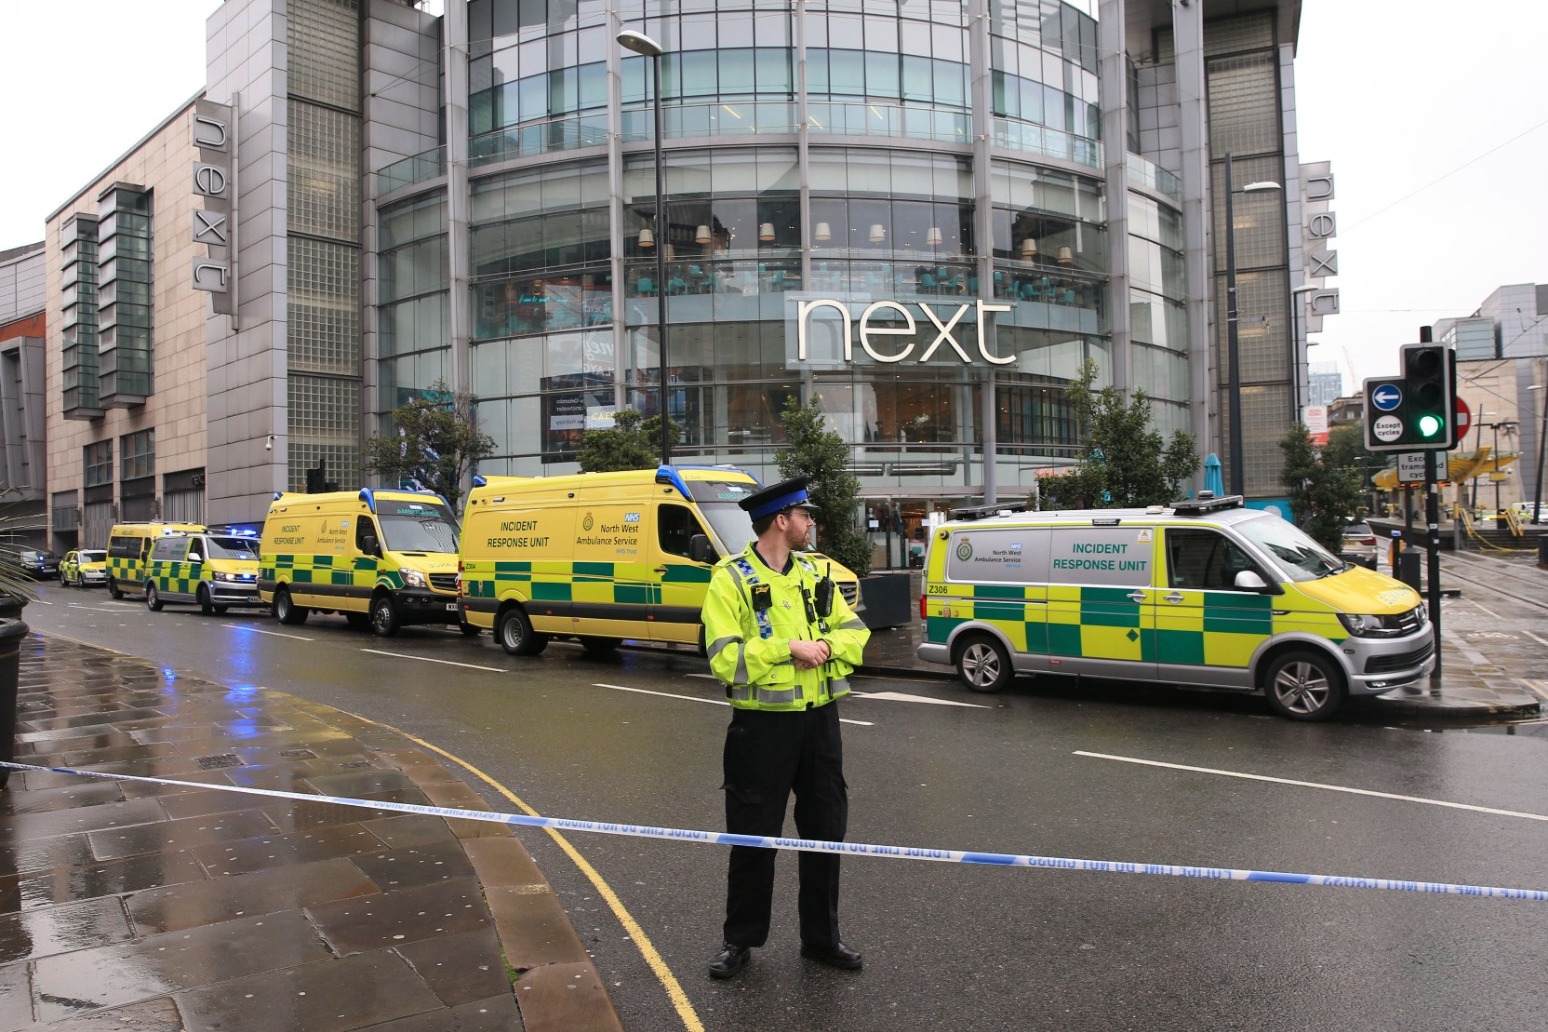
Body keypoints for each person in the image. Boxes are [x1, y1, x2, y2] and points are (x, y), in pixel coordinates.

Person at [700, 477, 871, 980]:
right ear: (781, 521)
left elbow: (855, 634)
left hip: (820, 725)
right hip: (761, 730)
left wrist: (824, 648)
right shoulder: (729, 579)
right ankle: (740, 941)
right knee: (754, 837)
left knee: (825, 835)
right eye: (804, 515)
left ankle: (821, 939)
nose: (810, 523)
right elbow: (724, 658)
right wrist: (787, 648)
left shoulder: (815, 575)